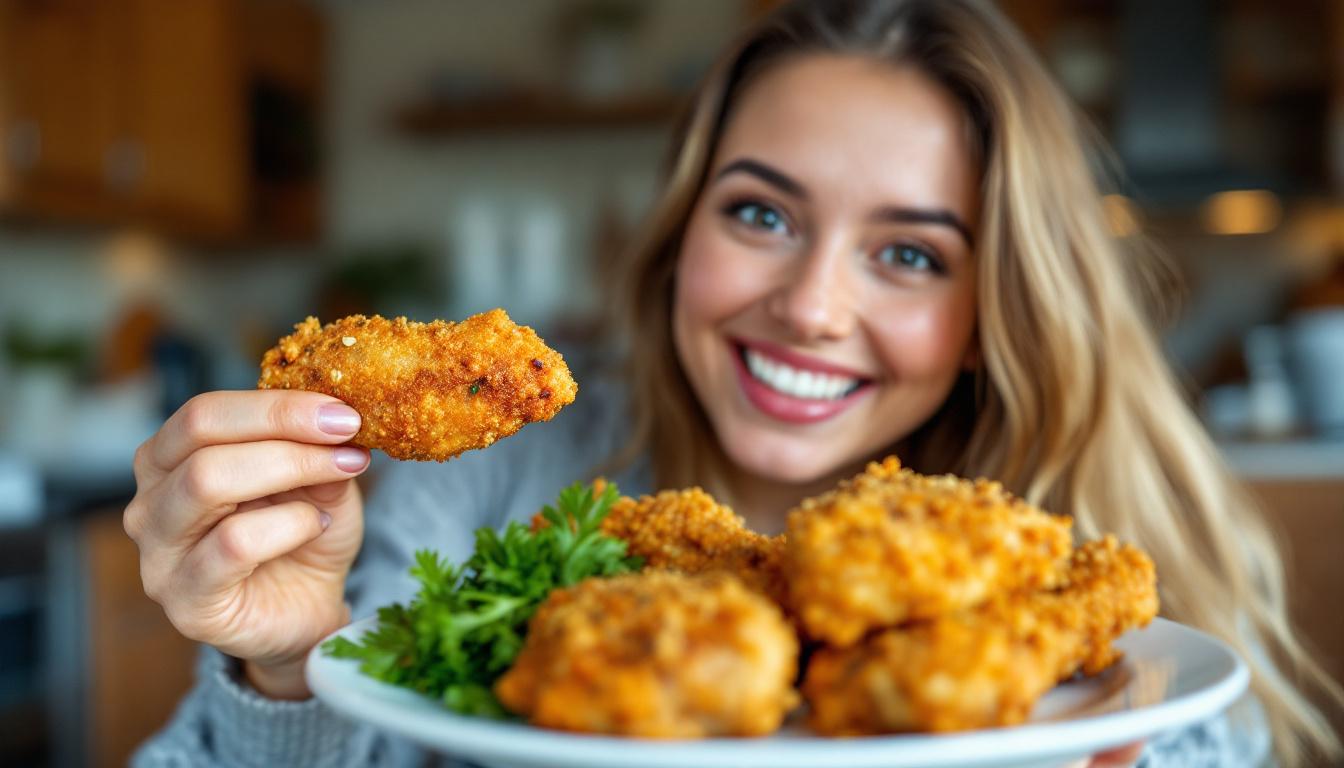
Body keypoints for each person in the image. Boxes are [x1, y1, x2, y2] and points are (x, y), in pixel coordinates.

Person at [126, 1, 1342, 766]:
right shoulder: (491, 487)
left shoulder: (1085, 558)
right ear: (677, 235)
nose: (812, 306)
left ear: (993, 317)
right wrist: (285, 669)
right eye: (761, 213)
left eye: (912, 254)